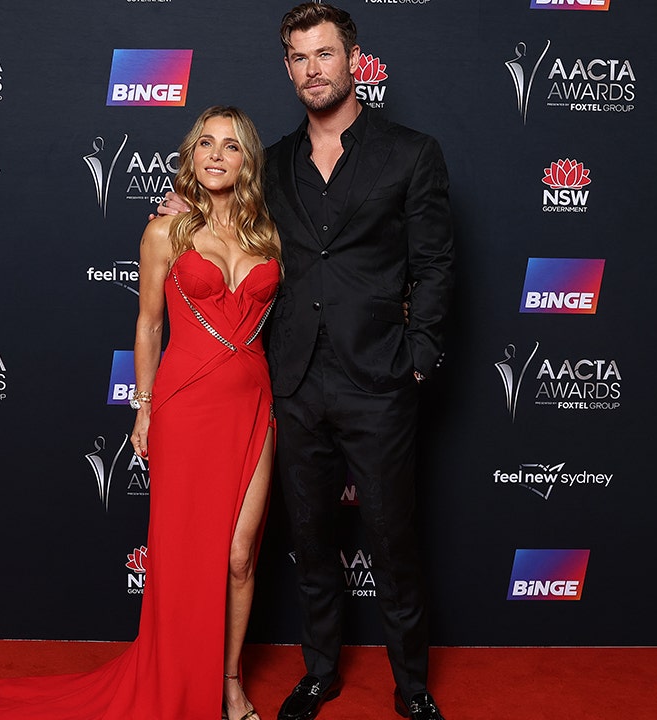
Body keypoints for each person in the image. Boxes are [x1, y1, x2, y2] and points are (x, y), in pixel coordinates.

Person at [159, 5, 453, 719]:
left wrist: (418, 358)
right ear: (287, 68)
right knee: (312, 541)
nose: (313, 68)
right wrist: (178, 207)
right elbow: (223, 216)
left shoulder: (412, 153)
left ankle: (412, 685)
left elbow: (436, 265)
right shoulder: (275, 163)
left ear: (354, 59)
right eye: (299, 57)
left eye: (325, 54)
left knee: (393, 537)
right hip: (290, 380)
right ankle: (320, 673)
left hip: (379, 378)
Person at [0, 105, 281, 720]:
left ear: (248, 161)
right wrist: (143, 408)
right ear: (191, 156)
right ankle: (181, 686)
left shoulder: (268, 231)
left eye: (232, 146)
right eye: (206, 144)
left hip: (255, 404)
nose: (217, 155)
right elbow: (149, 322)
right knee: (185, 558)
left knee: (241, 554)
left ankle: (229, 682)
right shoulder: (166, 231)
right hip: (186, 406)